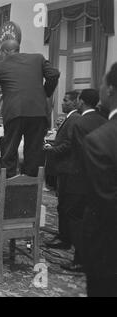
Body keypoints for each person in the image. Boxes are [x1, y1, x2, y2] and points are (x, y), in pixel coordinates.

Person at [0, 39, 60, 178]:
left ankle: (9, 188)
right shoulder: (38, 58)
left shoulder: (1, 65)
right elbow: (54, 74)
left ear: (4, 52)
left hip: (14, 112)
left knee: (10, 151)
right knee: (34, 153)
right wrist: (45, 93)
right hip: (38, 112)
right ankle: (29, 190)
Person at [59, 88, 106, 272]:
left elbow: (78, 155)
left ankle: (80, 260)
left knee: (75, 218)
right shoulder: (104, 121)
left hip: (80, 179)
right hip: (101, 179)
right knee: (94, 219)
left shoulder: (80, 123)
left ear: (82, 101)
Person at [82, 63, 117, 297]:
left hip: (108, 254)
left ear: (111, 90)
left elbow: (104, 206)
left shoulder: (101, 140)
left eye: (102, 83)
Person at [44, 91, 81, 252]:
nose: (62, 103)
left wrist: (52, 149)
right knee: (62, 204)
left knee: (65, 205)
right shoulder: (70, 118)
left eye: (66, 100)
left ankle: (65, 238)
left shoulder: (74, 119)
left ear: (74, 103)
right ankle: (63, 235)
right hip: (64, 168)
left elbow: (69, 144)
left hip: (67, 168)